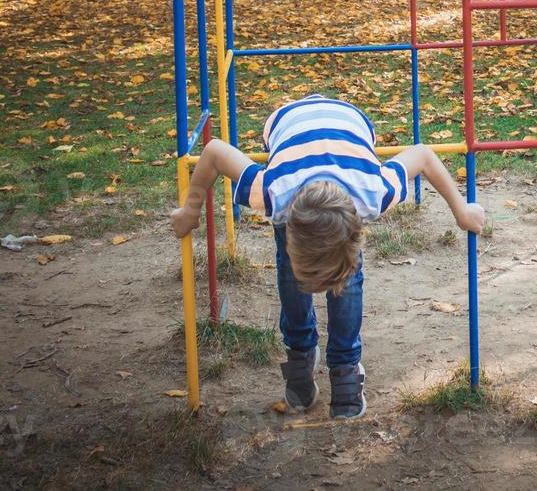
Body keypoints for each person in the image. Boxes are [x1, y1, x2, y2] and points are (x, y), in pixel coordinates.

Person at [170, 95, 485, 419]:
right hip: (286, 120)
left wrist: (461, 210)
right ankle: (300, 355)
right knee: (291, 277)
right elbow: (213, 152)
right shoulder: (274, 193)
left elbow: (424, 156)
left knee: (347, 283)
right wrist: (189, 210)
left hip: (352, 121)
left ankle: (345, 366)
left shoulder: (372, 192)